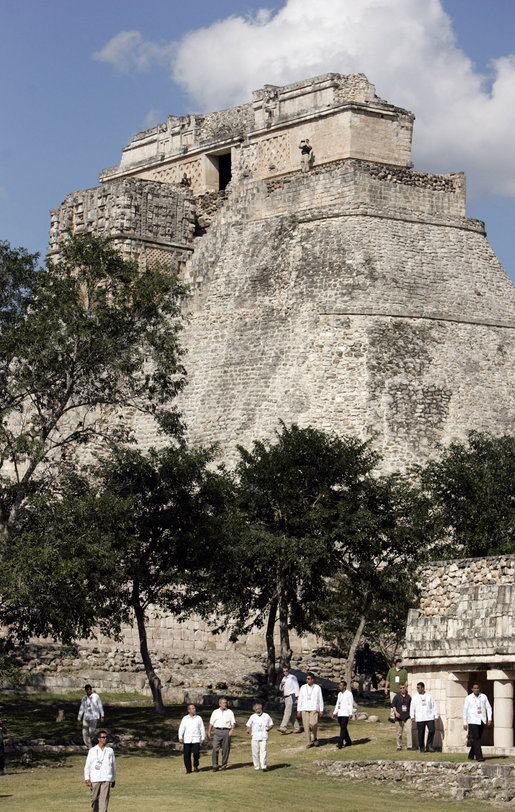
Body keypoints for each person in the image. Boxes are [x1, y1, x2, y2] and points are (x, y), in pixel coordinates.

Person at [84, 731, 116, 812]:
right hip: (95, 778)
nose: (105, 739)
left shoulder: (110, 751)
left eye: (106, 737)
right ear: (99, 739)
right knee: (94, 799)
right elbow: (87, 765)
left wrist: (113, 778)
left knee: (104, 801)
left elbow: (113, 765)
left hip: (106, 778)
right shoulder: (92, 751)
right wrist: (87, 778)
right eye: (103, 737)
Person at [463, 682, 492, 762]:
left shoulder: (483, 697)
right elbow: (465, 711)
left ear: (479, 689)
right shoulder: (468, 698)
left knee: (478, 738)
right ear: (472, 689)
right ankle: (479, 756)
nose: (476, 689)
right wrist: (465, 723)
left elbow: (488, 708)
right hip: (472, 720)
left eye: (477, 688)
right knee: (476, 738)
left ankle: (471, 754)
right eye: (474, 688)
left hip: (481, 719)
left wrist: (489, 719)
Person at [207, 697, 236, 771]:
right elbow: (211, 723)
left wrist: (231, 730)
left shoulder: (229, 712)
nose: (225, 704)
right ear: (219, 704)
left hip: (226, 731)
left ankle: (224, 765)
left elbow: (233, 723)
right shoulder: (215, 712)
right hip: (217, 731)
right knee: (215, 748)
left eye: (226, 703)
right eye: (223, 703)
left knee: (226, 749)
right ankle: (215, 765)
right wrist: (209, 732)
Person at [297, 672, 324, 748]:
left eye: (309, 679)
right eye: (306, 679)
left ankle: (315, 737)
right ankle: (309, 741)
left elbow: (320, 699)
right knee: (306, 726)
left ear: (312, 679)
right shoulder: (303, 687)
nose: (307, 680)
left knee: (313, 723)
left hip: (314, 708)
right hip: (304, 708)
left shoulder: (317, 688)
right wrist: (299, 710)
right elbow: (300, 699)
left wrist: (321, 710)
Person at [410, 682, 439, 752]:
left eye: (419, 688)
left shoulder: (429, 696)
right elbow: (412, 707)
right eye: (417, 688)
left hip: (429, 717)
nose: (417, 689)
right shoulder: (415, 697)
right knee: (421, 733)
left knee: (432, 730)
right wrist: (412, 716)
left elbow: (433, 706)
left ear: (423, 688)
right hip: (420, 717)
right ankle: (422, 748)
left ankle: (429, 745)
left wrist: (436, 715)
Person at [246, 702, 274, 771]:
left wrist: (268, 729)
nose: (258, 710)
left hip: (263, 736)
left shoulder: (266, 716)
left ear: (261, 709)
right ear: (254, 710)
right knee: (255, 752)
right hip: (255, 737)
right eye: (256, 709)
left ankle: (264, 766)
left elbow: (271, 724)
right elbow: (248, 724)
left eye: (259, 709)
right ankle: (256, 766)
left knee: (263, 751)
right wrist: (248, 729)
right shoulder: (252, 716)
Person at [179, 703, 206, 774]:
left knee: (196, 753)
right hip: (187, 739)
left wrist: (202, 737)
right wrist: (180, 737)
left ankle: (196, 765)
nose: (194, 710)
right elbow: (181, 728)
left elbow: (202, 728)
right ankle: (188, 769)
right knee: (187, 755)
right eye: (192, 708)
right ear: (189, 710)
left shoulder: (198, 718)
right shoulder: (185, 719)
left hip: (196, 739)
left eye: (194, 708)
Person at [331, 680, 354, 749]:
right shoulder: (339, 694)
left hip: (346, 713)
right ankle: (348, 741)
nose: (339, 686)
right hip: (340, 713)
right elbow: (337, 704)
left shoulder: (348, 694)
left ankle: (340, 742)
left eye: (341, 685)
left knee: (343, 728)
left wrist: (350, 713)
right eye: (339, 685)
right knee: (343, 728)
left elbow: (350, 704)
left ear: (345, 686)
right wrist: (334, 713)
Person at [279, 665, 301, 734]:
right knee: (291, 714)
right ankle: (297, 728)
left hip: (292, 696)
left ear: (289, 671)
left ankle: (283, 727)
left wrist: (297, 697)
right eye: (284, 671)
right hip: (286, 697)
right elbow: (281, 689)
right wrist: (281, 684)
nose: (285, 672)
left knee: (287, 711)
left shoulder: (292, 677)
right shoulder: (284, 678)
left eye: (286, 671)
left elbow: (296, 687)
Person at [391, 683, 413, 750]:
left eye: (403, 687)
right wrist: (396, 712)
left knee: (409, 731)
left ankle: (409, 745)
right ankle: (399, 746)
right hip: (399, 717)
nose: (402, 689)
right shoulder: (396, 697)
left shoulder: (408, 697)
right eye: (401, 688)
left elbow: (411, 706)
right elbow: (393, 706)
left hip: (407, 716)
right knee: (399, 733)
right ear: (399, 689)